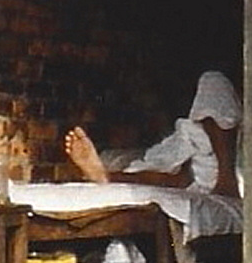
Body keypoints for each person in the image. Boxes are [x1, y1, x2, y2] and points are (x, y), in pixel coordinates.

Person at [64, 70, 241, 198]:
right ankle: (107, 176)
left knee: (213, 80)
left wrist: (226, 179)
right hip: (196, 177)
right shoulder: (191, 132)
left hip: (231, 176)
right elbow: (180, 179)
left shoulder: (219, 86)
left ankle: (227, 179)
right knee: (159, 168)